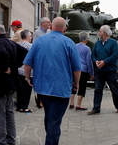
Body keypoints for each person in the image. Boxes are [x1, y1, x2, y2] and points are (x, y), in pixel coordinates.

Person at [23, 17, 81, 145]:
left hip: (42, 88)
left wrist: (28, 78)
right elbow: (77, 69)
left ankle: (50, 139)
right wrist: (76, 83)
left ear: (50, 27)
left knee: (49, 117)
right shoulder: (69, 42)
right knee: (54, 121)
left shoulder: (39, 41)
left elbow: (27, 64)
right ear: (65, 29)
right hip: (62, 89)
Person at [0, 22, 27, 145]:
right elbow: (23, 52)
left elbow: (1, 54)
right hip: (11, 83)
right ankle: (10, 139)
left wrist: (3, 67)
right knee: (9, 112)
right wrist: (15, 65)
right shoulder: (10, 42)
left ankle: (0, 141)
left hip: (0, 84)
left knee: (0, 114)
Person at [88, 25, 118, 115]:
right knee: (98, 89)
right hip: (99, 71)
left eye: (100, 31)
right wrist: (96, 61)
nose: (98, 33)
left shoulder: (113, 43)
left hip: (110, 70)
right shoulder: (97, 43)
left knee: (114, 89)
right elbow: (93, 54)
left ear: (105, 33)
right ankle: (96, 108)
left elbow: (115, 55)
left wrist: (105, 62)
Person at [69, 31, 94, 110]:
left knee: (73, 85)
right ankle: (78, 104)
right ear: (86, 39)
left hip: (74, 69)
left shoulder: (74, 46)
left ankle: (71, 103)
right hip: (83, 70)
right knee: (82, 86)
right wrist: (91, 73)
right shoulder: (87, 49)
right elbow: (88, 62)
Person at [16, 29, 33, 113]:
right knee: (27, 90)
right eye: (30, 35)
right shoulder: (31, 46)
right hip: (28, 72)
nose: (31, 37)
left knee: (19, 90)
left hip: (18, 70)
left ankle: (19, 106)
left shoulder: (17, 45)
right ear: (26, 36)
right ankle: (24, 107)